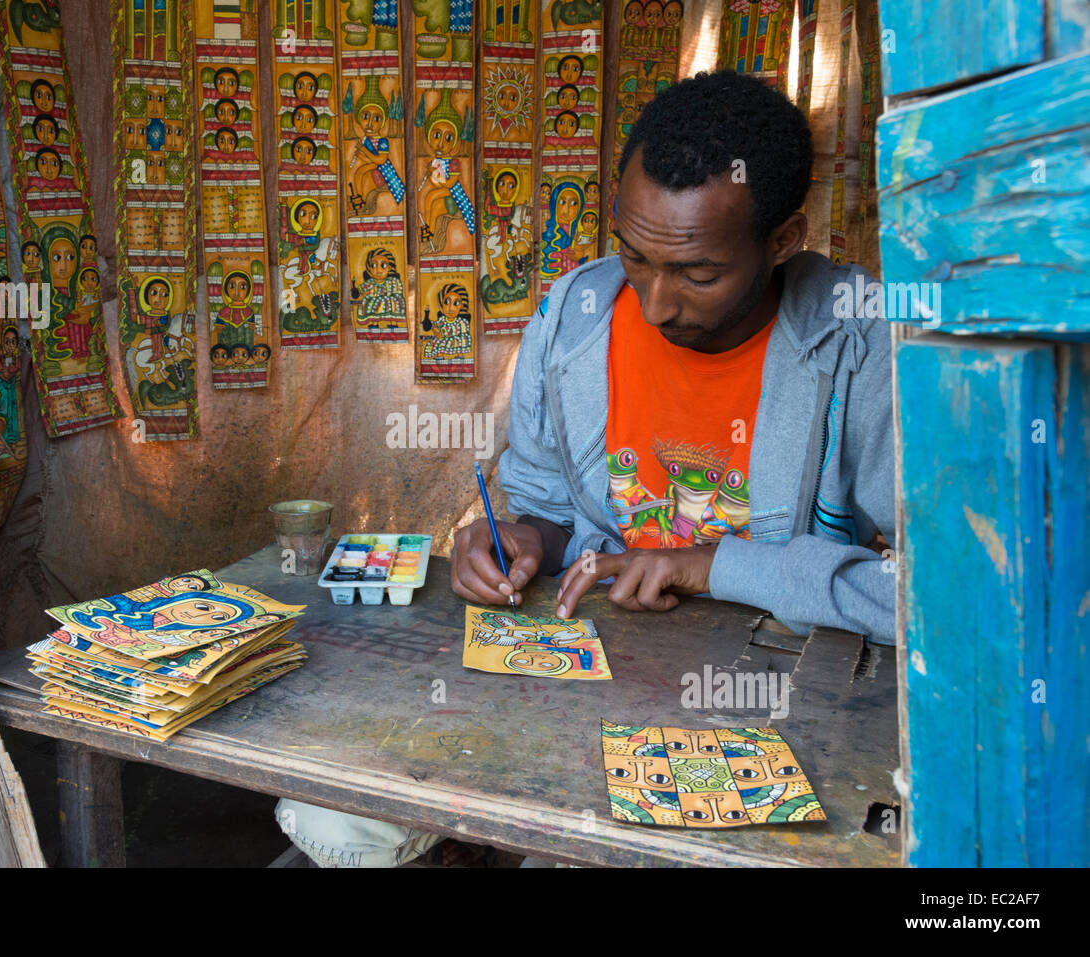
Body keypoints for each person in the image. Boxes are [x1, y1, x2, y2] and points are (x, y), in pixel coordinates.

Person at [275, 69, 895, 866]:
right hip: (583, 676)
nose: (659, 301)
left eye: (698, 273)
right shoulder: (575, 317)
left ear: (782, 241)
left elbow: (939, 593)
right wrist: (519, 538)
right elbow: (545, 506)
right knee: (335, 816)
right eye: (636, 257)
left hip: (760, 706)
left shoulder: (856, 346)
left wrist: (713, 565)